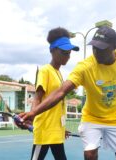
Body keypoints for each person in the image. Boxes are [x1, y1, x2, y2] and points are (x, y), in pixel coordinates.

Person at [20, 24, 116, 160]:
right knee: (89, 154)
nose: (97, 52)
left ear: (114, 47)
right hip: (89, 118)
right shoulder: (83, 67)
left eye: (102, 49)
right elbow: (60, 92)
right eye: (94, 48)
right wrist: (33, 112)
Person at [28, 27, 79, 160]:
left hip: (55, 131)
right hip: (45, 130)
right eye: (64, 52)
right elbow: (37, 97)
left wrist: (62, 129)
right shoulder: (45, 71)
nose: (68, 56)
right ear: (53, 50)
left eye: (69, 53)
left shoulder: (58, 73)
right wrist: (31, 116)